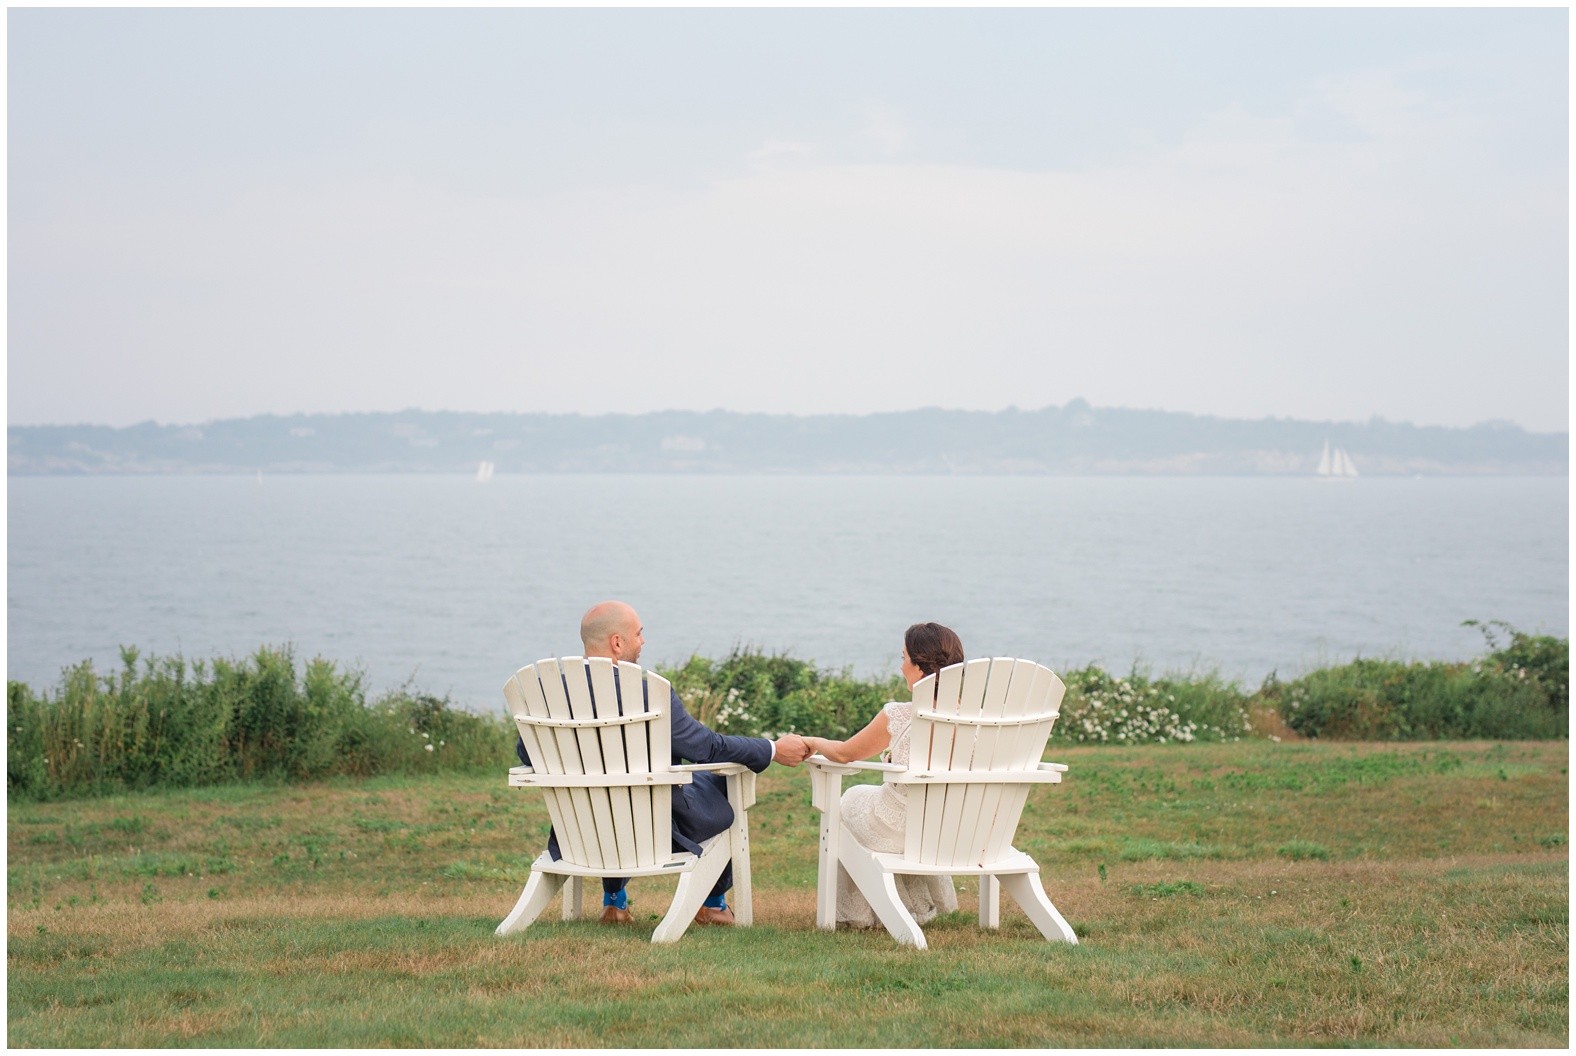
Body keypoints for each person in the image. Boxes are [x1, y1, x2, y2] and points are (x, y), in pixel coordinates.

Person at [515, 601, 811, 926]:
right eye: (639, 634)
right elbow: (706, 748)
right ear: (617, 642)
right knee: (723, 782)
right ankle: (712, 903)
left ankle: (614, 902)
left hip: (582, 832)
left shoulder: (547, 696)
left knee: (611, 803)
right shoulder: (649, 694)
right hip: (657, 830)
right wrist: (772, 749)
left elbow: (527, 753)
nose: (643, 641)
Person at [801, 622, 965, 928]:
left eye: (904, 658)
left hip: (901, 829)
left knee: (848, 801)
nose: (901, 666)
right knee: (872, 801)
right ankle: (916, 906)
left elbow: (844, 754)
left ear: (919, 668)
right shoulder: (978, 720)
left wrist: (814, 743)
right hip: (956, 830)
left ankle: (859, 914)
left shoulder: (901, 715)